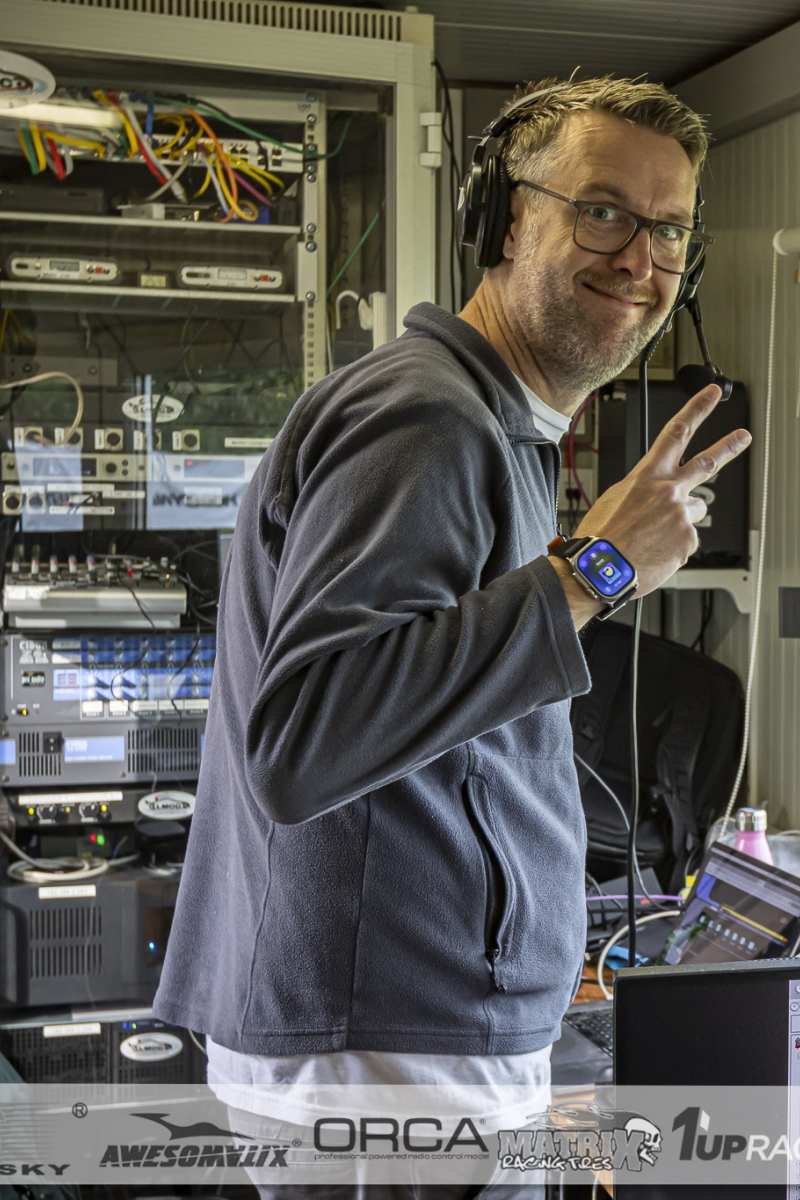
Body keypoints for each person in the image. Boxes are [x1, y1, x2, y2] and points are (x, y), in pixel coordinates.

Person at [152, 75, 748, 1184]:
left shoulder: (487, 423)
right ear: (504, 220)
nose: (642, 260)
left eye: (670, 230)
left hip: (403, 1038)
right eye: (603, 211)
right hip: (386, 1055)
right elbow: (305, 743)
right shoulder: (427, 418)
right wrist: (597, 569)